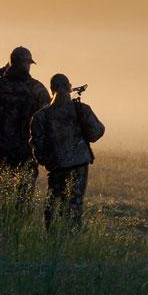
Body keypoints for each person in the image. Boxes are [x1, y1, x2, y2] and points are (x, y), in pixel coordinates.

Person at [30, 73, 104, 231]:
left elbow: (38, 148)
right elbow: (96, 133)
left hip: (56, 168)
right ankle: (71, 241)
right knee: (74, 206)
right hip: (79, 166)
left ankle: (52, 239)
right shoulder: (81, 109)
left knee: (53, 204)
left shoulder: (40, 116)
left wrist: (49, 161)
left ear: (51, 90)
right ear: (69, 89)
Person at [0, 47, 51, 199]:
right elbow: (47, 114)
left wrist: (4, 69)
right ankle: (20, 219)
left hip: (2, 146)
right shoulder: (36, 87)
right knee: (25, 191)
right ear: (26, 64)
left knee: (2, 190)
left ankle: (2, 219)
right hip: (26, 148)